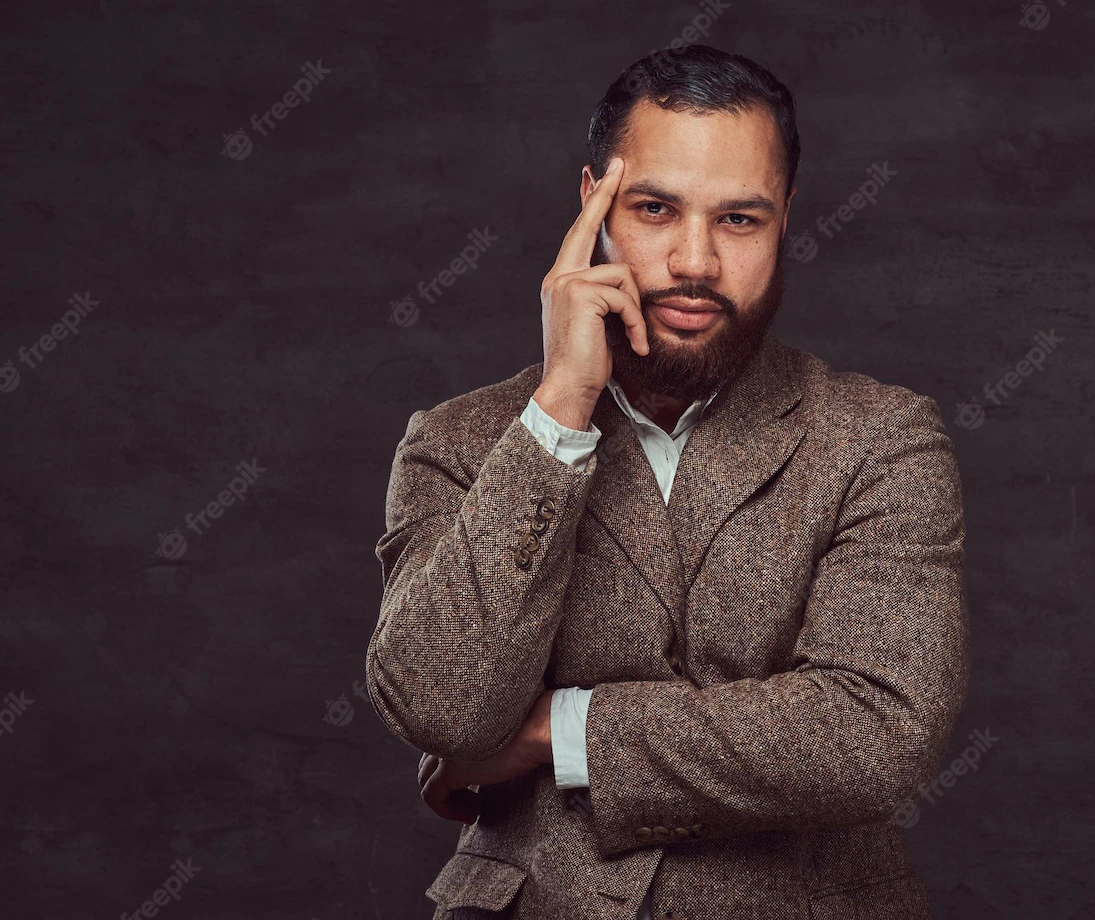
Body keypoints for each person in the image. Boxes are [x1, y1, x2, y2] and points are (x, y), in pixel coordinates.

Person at [365, 43, 969, 920]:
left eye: (739, 220)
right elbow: (441, 708)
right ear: (593, 206)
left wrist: (549, 733)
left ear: (787, 218)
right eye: (655, 209)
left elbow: (877, 734)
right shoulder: (462, 439)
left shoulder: (882, 437)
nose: (694, 261)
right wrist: (561, 404)